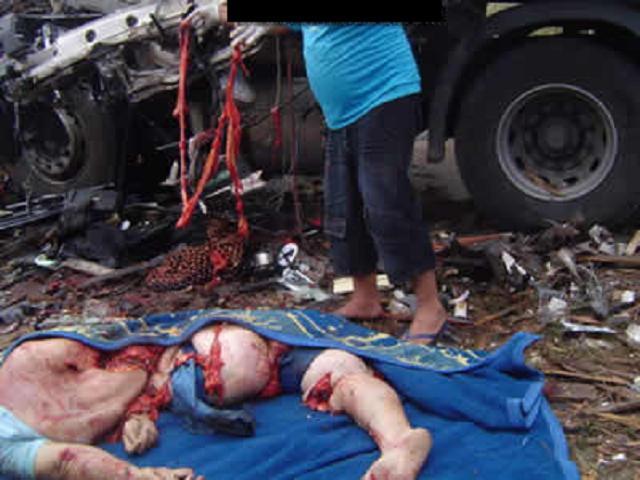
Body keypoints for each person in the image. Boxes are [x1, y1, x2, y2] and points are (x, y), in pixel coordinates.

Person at [189, 2, 449, 344]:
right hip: (342, 113)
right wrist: (268, 25)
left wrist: (225, 9)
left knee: (386, 202)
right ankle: (365, 297)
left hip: (384, 98)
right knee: (344, 204)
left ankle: (430, 307)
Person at [0, 323, 432, 480]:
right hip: (220, 347)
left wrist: (138, 473)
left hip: (203, 365)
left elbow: (68, 461)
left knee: (327, 374)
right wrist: (138, 411)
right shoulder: (25, 364)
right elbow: (122, 344)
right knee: (341, 373)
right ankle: (399, 438)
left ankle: (401, 445)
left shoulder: (16, 422)